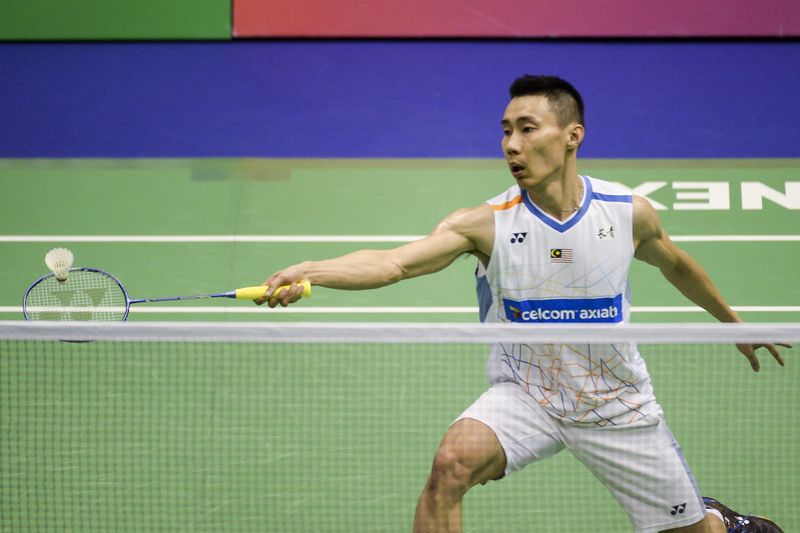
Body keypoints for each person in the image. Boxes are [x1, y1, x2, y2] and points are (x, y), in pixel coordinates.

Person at [256, 75, 788, 532]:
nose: (511, 144)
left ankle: (718, 520)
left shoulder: (628, 214)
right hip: (526, 394)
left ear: (572, 136)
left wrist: (731, 324)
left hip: (616, 404)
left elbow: (676, 264)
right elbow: (397, 263)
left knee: (693, 531)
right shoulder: (483, 223)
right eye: (506, 131)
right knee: (451, 466)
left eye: (527, 129)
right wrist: (312, 271)